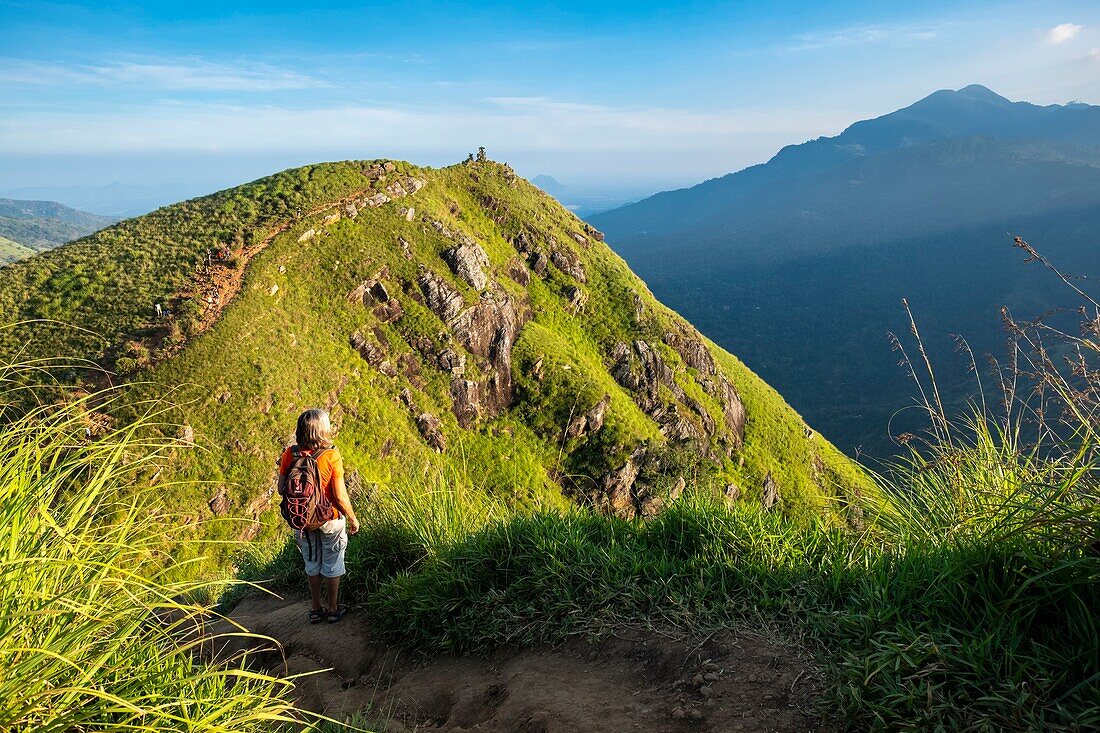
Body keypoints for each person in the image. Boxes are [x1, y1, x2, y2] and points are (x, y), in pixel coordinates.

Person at [277, 408, 360, 624]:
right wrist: (352, 518)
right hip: (329, 518)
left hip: (302, 519)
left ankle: (315, 608)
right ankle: (332, 609)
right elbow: (340, 497)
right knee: (332, 562)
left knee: (312, 562)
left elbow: (280, 489)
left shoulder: (290, 454)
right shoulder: (331, 455)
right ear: (323, 429)